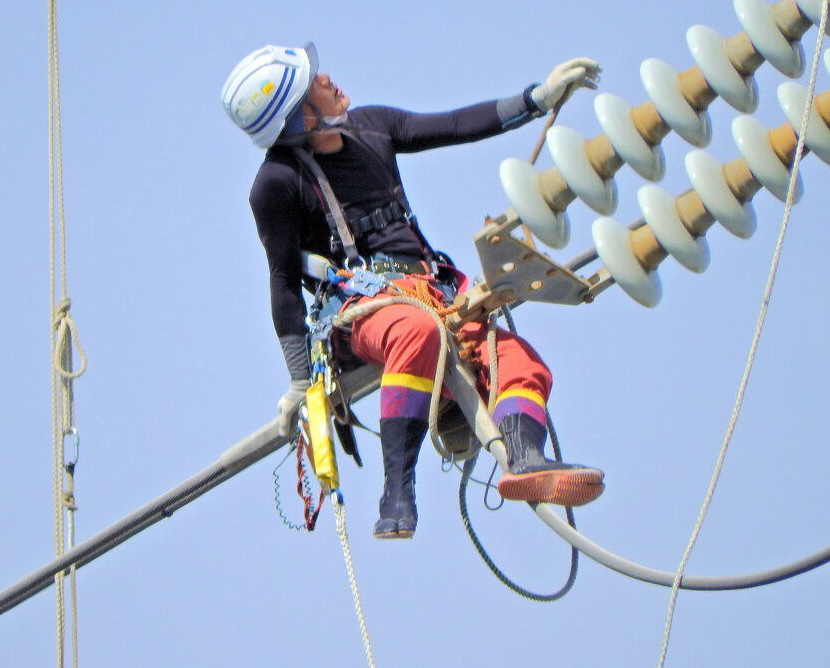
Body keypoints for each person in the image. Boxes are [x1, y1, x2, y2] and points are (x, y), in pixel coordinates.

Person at [221, 43, 604, 539]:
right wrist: (299, 381)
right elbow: (282, 284)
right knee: (417, 332)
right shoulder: (277, 183)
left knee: (521, 362)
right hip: (364, 310)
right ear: (300, 115)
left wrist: (536, 98)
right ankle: (397, 493)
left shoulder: (371, 126)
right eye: (315, 82)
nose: (329, 79)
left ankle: (526, 459)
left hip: (434, 291)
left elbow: (454, 124)